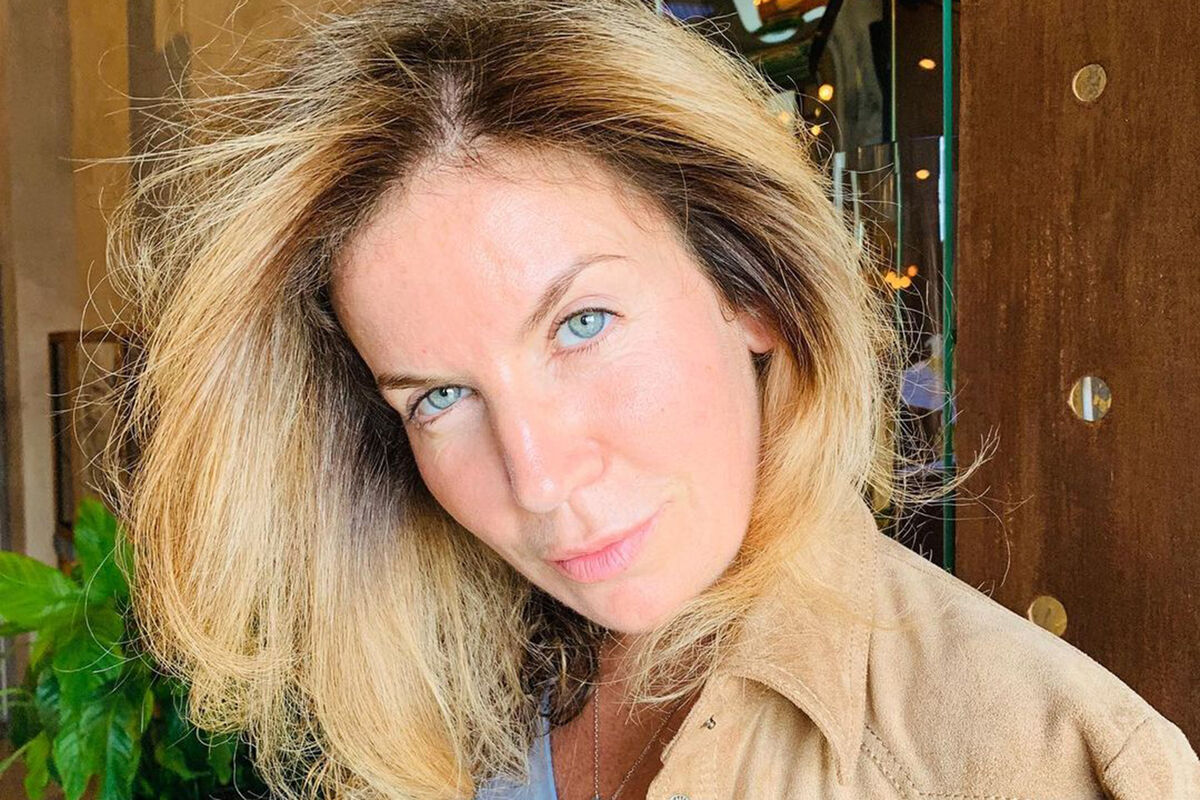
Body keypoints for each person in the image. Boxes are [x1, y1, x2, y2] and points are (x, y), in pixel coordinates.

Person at [100, 0, 1199, 798]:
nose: (539, 479)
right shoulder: (439, 687)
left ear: (750, 292)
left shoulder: (1039, 757)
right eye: (438, 395)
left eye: (581, 324)